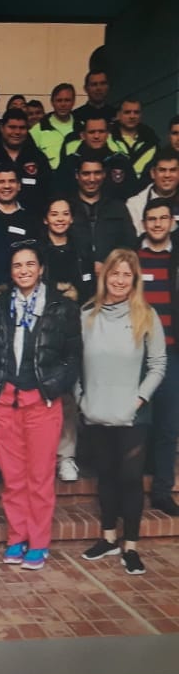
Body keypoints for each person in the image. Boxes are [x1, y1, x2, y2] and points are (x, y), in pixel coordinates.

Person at [0, 243, 82, 570]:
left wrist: (52, 386)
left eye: (29, 264)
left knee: (39, 476)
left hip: (42, 401)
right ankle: (17, 537)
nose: (23, 270)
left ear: (40, 269)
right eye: (17, 265)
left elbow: (73, 357)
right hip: (5, 400)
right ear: (11, 272)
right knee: (13, 477)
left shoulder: (61, 307)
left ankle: (38, 543)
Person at [78, 248, 166, 575]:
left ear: (135, 279)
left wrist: (139, 399)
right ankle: (108, 538)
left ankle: (130, 546)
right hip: (96, 410)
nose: (119, 280)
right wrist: (81, 398)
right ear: (105, 276)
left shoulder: (147, 315)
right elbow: (73, 363)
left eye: (126, 274)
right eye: (114, 273)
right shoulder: (87, 315)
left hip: (132, 414)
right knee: (106, 476)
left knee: (130, 479)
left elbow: (158, 365)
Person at [39, 196, 95, 483]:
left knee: (69, 392)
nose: (60, 219)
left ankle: (67, 456)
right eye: (54, 214)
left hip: (74, 326)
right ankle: (45, 455)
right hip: (44, 328)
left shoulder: (81, 250)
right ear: (46, 218)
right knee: (43, 393)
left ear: (71, 219)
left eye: (65, 214)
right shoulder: (38, 250)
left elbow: (89, 291)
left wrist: (76, 294)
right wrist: (61, 291)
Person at [133, 200, 179, 516]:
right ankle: (131, 491)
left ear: (171, 222)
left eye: (163, 218)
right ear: (144, 223)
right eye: (152, 219)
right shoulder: (133, 257)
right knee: (137, 425)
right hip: (137, 355)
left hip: (172, 354)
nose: (158, 224)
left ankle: (162, 491)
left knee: (168, 425)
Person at [125, 147, 179, 236]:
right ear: (153, 173)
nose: (167, 175)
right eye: (162, 170)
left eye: (173, 170)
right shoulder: (134, 205)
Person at [29, 83, 76, 170]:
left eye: (67, 100)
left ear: (73, 102)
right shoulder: (38, 129)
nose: (63, 104)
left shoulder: (82, 128)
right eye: (59, 100)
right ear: (52, 102)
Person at [111, 99, 158, 178]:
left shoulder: (152, 141)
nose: (132, 116)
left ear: (141, 115)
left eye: (136, 112)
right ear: (118, 115)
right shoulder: (107, 139)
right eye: (127, 112)